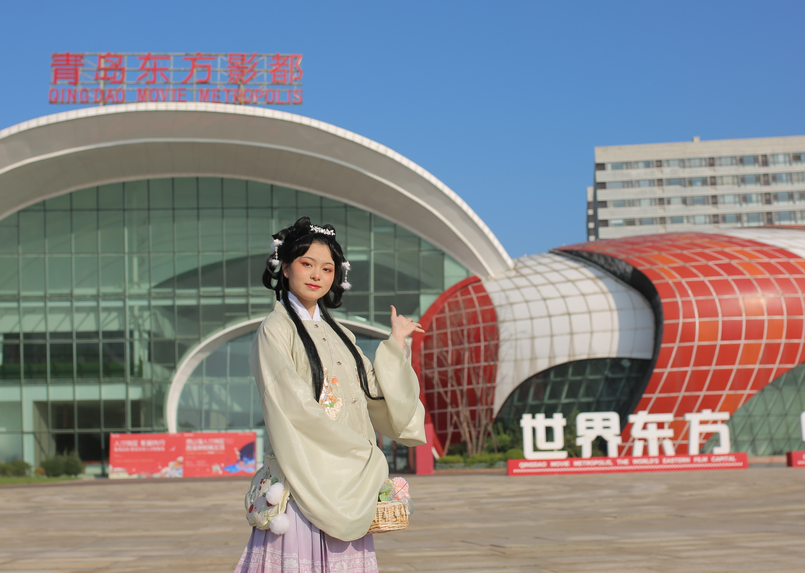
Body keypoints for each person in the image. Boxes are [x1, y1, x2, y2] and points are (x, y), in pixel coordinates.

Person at [234, 217, 427, 573]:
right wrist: (355, 451)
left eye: (327, 268)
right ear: (285, 267)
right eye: (307, 264)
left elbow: (373, 392)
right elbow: (290, 405)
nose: (317, 275)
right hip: (303, 469)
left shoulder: (341, 335)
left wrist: (396, 344)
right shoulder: (275, 329)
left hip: (346, 473)